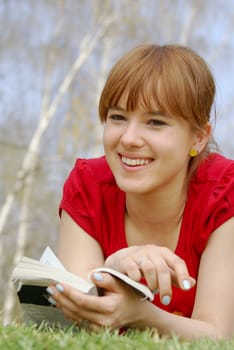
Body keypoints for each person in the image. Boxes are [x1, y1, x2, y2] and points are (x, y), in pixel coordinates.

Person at [47, 44, 234, 340]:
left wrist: (144, 315)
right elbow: (80, 310)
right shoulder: (88, 184)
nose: (129, 138)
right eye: (118, 117)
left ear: (198, 137)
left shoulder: (225, 192)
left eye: (155, 122)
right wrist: (112, 268)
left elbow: (218, 337)